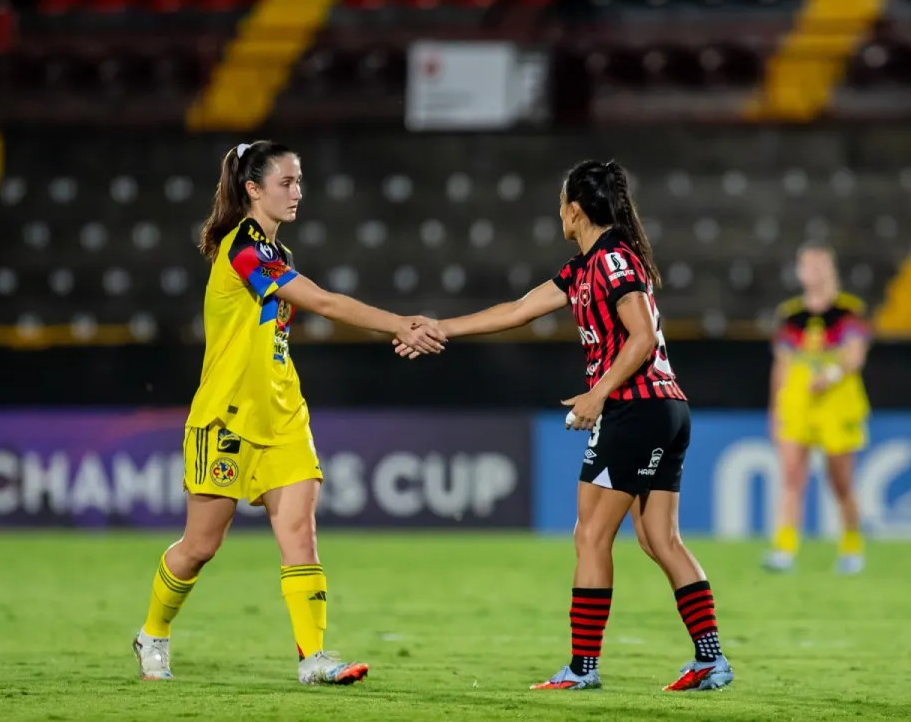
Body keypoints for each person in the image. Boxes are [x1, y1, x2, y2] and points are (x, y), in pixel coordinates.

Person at [395, 160, 733, 692]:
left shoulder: (614, 262)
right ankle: (711, 659)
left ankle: (582, 668)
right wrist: (441, 328)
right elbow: (519, 309)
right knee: (658, 538)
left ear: (575, 209)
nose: (559, 211)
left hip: (635, 410)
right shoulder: (586, 266)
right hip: (664, 409)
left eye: (561, 202)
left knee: (591, 535)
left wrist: (599, 395)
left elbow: (641, 336)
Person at [133, 140, 446, 685]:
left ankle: (313, 658)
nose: (297, 192)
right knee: (201, 546)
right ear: (253, 189)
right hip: (226, 418)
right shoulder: (243, 250)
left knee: (301, 533)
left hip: (283, 415)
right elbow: (322, 302)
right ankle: (153, 634)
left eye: (300, 181)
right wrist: (398, 322)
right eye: (286, 182)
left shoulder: (279, 256)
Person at [764, 242, 870, 575]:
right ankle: (784, 548)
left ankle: (851, 546)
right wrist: (775, 408)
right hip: (797, 403)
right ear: (799, 272)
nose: (813, 272)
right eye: (807, 266)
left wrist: (830, 375)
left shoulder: (849, 310)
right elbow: (780, 365)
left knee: (840, 481)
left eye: (820, 265)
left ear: (831, 270)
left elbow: (855, 355)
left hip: (837, 403)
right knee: (792, 476)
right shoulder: (790, 314)